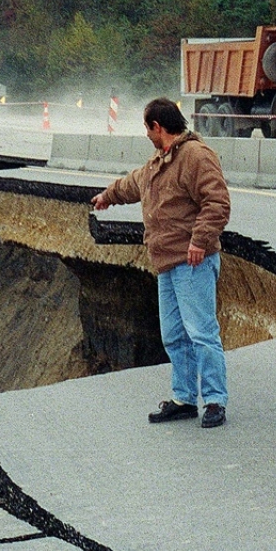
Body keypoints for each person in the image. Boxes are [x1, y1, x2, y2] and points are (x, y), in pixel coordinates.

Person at [92, 97, 232, 428]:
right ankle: (184, 399)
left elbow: (218, 202)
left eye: (147, 128)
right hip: (166, 263)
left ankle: (215, 400)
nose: (146, 135)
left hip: (192, 261)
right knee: (173, 335)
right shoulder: (159, 161)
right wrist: (107, 197)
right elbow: (133, 183)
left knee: (202, 333)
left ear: (158, 127)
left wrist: (199, 241)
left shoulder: (196, 156)